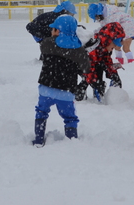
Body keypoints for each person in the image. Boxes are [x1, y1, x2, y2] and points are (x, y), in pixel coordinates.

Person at [33, 15, 91, 147]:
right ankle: (71, 141)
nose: (51, 31)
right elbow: (86, 68)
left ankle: (38, 139)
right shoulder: (78, 50)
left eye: (53, 29)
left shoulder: (47, 43)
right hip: (66, 91)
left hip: (45, 88)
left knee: (41, 112)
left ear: (58, 31)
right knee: (70, 118)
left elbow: (45, 50)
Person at [75, 22, 126, 102]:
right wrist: (96, 83)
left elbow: (107, 61)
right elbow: (89, 69)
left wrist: (113, 74)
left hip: (92, 64)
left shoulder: (105, 47)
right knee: (88, 78)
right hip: (80, 64)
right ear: (108, 41)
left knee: (100, 66)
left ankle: (98, 93)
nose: (115, 47)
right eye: (114, 45)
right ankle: (80, 93)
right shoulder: (93, 48)